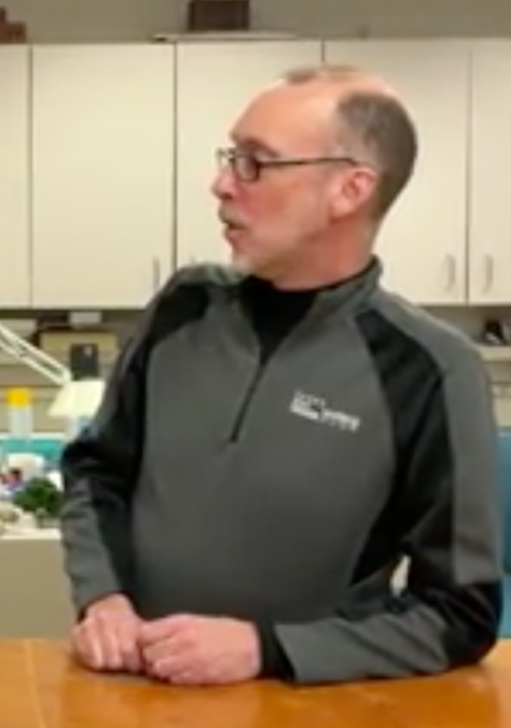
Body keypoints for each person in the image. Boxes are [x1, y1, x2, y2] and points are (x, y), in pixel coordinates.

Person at [59, 64, 503, 686]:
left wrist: (266, 651)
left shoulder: (430, 370)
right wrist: (102, 597)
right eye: (229, 157)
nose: (220, 183)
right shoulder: (182, 310)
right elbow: (95, 470)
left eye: (254, 162)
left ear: (349, 190)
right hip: (141, 693)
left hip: (311, 706)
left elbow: (459, 616)